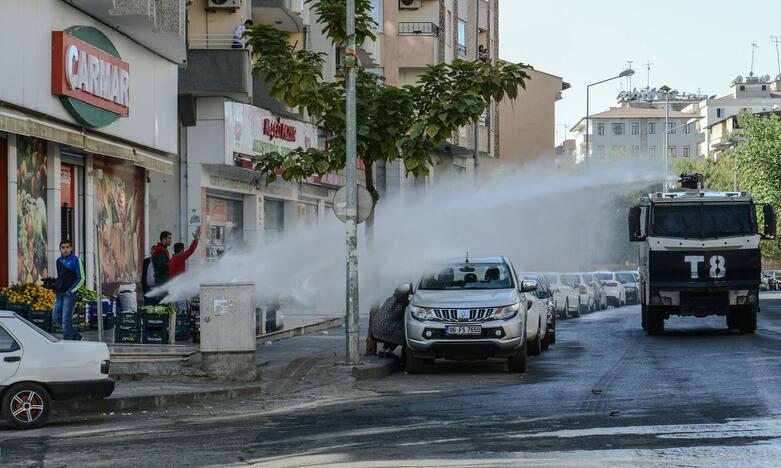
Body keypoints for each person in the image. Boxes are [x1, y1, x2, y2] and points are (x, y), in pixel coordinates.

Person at [53, 240, 85, 341]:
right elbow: (60, 276)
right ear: (60, 249)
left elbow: (82, 278)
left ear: (71, 248)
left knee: (66, 318)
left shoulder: (76, 260)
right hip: (60, 293)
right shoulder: (59, 261)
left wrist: (71, 291)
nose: (65, 249)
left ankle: (68, 340)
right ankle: (76, 335)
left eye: (67, 247)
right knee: (55, 317)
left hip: (70, 293)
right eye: (63, 247)